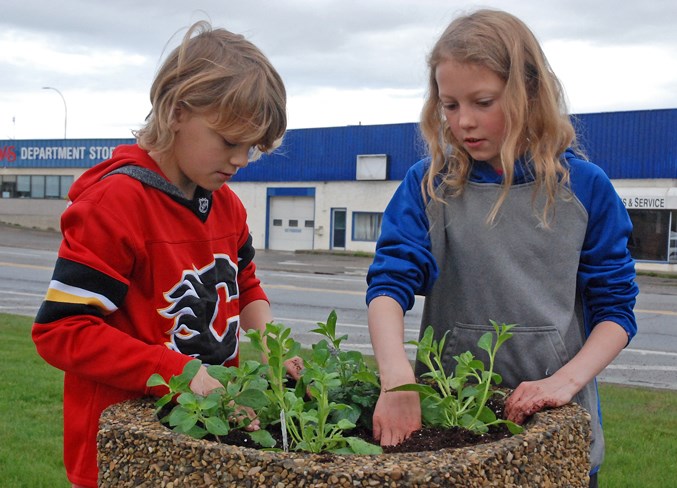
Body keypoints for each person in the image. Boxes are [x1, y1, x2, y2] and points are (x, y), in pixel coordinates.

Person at [365, 9, 637, 487]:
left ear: (529, 92)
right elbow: (388, 285)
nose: (464, 121)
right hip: (452, 424)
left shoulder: (586, 189)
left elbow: (616, 313)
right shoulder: (428, 186)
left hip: (555, 428)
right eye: (449, 105)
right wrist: (398, 379)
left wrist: (564, 384)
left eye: (483, 101)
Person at [32, 21, 300, 488]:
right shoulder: (115, 204)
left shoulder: (227, 205)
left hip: (207, 441)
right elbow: (62, 331)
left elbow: (247, 284)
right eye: (229, 141)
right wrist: (179, 373)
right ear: (177, 112)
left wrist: (272, 350)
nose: (240, 160)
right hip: (124, 449)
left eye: (251, 149)